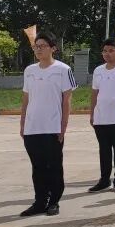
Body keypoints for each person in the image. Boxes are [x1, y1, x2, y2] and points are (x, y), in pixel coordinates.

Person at [19, 32, 76, 217]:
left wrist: (63, 127)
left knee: (54, 166)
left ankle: (54, 201)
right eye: (36, 46)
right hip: (32, 127)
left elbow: (66, 100)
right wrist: (23, 123)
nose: (38, 49)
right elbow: (26, 98)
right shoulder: (30, 71)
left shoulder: (63, 69)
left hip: (52, 127)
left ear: (53, 48)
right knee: (38, 167)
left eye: (43, 46)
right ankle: (40, 201)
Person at [88, 38, 115, 193]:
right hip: (101, 117)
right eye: (105, 51)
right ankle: (104, 179)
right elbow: (95, 93)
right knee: (104, 150)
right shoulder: (98, 70)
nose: (107, 54)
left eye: (111, 50)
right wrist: (92, 113)